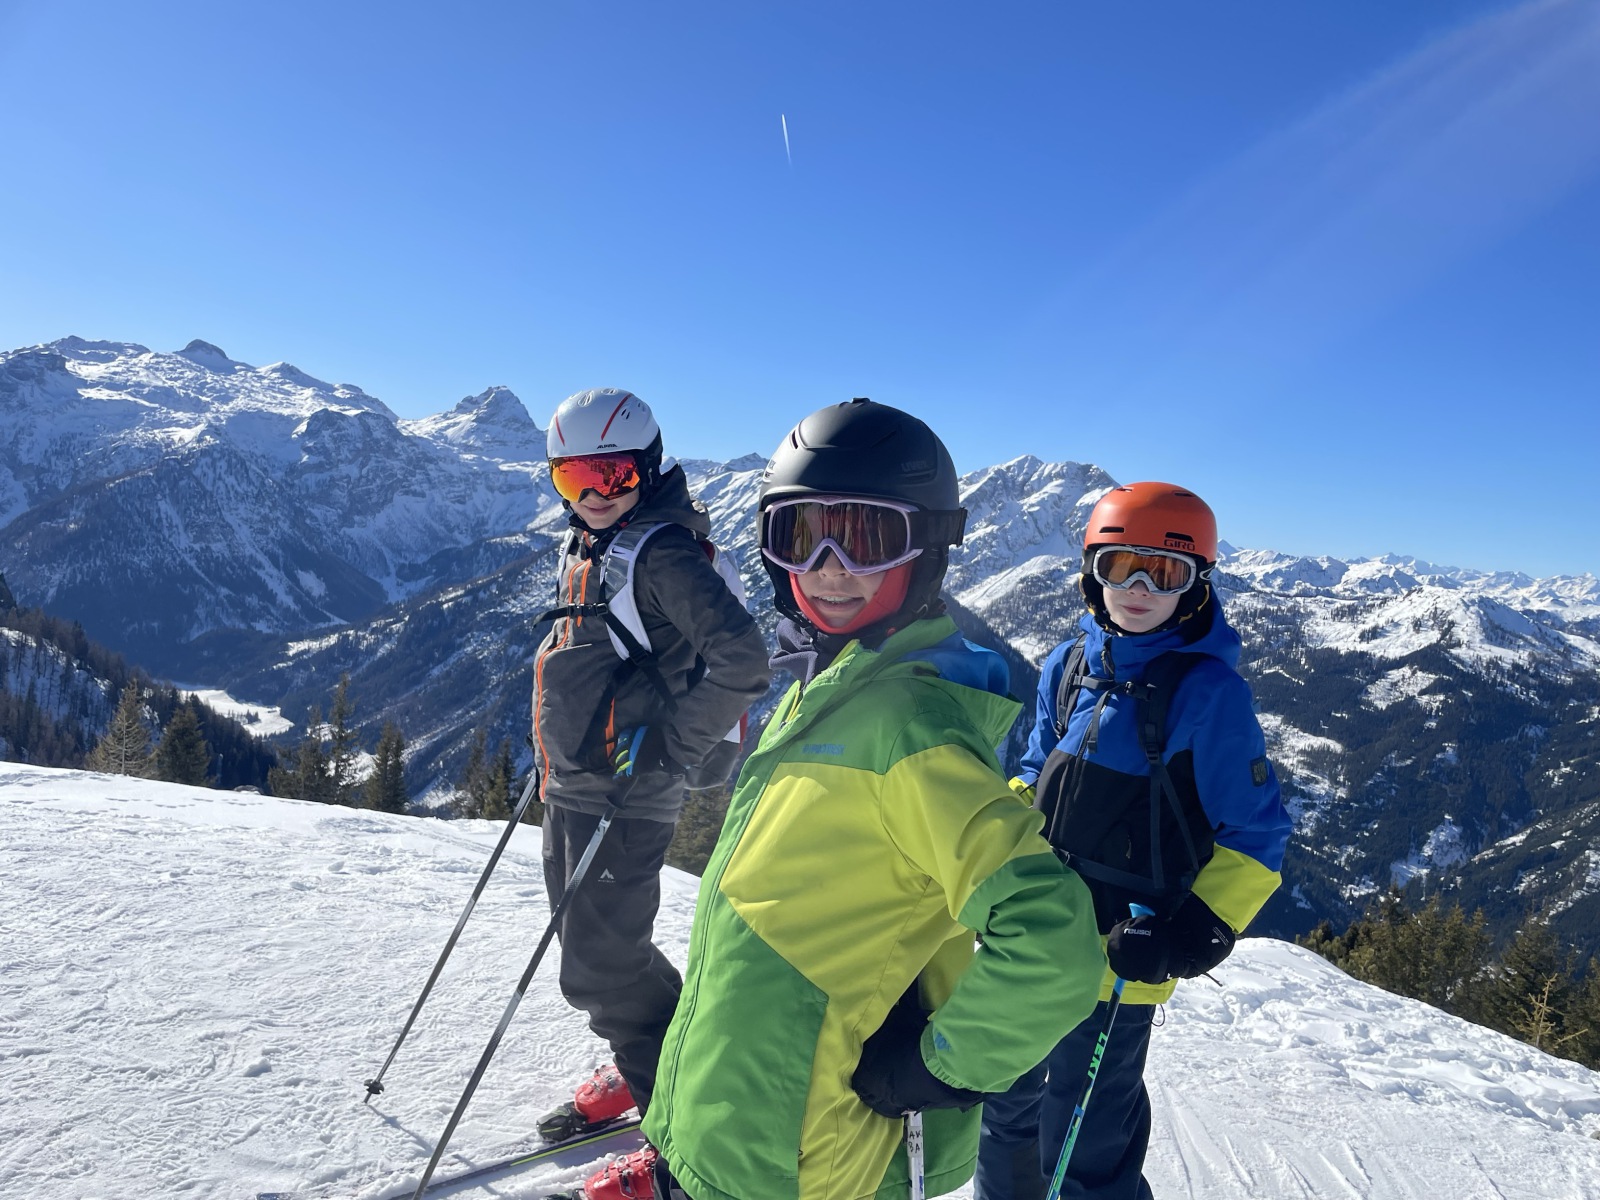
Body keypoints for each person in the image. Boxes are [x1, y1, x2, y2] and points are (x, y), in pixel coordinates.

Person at [588, 398, 1106, 1200]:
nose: (829, 568)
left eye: (866, 537)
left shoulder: (910, 727)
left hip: (794, 1156)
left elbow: (1055, 942)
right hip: (739, 1117)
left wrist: (939, 1066)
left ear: (928, 547)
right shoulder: (832, 685)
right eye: (800, 536)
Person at [974, 482, 1293, 1200]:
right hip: (1031, 932)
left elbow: (1256, 832)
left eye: (1166, 572)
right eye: (1123, 567)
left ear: (1196, 585)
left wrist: (1190, 936)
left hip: (1123, 951)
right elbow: (1035, 771)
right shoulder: (1067, 667)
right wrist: (985, 854)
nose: (1142, 589)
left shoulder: (1207, 695)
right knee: (1005, 1106)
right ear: (1093, 574)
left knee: (1088, 1134)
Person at [532, 387, 772, 1141]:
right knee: (602, 955)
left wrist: (672, 744)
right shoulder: (592, 540)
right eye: (575, 477)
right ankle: (673, 1062)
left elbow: (744, 661)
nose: (595, 494)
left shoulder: (660, 552)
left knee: (600, 970)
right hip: (576, 782)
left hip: (625, 795)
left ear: (650, 467)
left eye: (615, 475)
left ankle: (682, 1137)